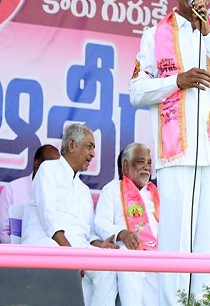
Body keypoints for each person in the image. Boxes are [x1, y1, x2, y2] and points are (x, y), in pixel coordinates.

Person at [129, 0, 210, 305]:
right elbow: (136, 91)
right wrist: (177, 81)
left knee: (208, 244)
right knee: (175, 242)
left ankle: (205, 302)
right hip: (175, 152)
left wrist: (208, 34)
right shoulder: (155, 35)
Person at [21, 123, 117, 306]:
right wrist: (71, 256)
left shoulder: (84, 189)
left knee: (107, 267)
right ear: (72, 145)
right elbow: (48, 218)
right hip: (48, 244)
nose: (93, 154)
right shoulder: (48, 169)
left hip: (76, 250)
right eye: (89, 147)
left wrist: (100, 246)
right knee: (59, 261)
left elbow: (89, 233)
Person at [95, 143, 159, 306]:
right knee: (128, 258)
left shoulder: (155, 193)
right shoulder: (112, 189)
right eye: (141, 162)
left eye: (149, 163)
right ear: (125, 165)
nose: (147, 167)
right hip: (128, 252)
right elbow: (101, 222)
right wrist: (122, 233)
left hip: (156, 255)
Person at [0, 144, 59, 244]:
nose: (54, 172)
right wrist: (22, 250)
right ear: (37, 164)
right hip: (17, 252)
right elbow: (3, 234)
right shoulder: (12, 189)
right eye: (50, 167)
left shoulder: (59, 194)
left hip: (49, 251)